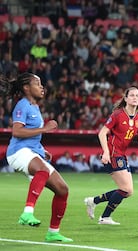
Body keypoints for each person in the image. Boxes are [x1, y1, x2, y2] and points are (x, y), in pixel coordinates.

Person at [2, 72, 72, 242]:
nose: (42, 87)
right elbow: (17, 131)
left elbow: (33, 138)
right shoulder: (22, 105)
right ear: (26, 88)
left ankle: (53, 232)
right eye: (37, 83)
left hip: (32, 152)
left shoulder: (35, 107)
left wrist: (42, 149)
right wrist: (44, 129)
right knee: (42, 170)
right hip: (17, 152)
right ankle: (27, 213)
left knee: (63, 190)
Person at [84, 86, 138, 225]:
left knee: (128, 191)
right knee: (126, 189)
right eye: (132, 95)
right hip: (112, 153)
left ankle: (94, 201)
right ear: (126, 98)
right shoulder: (118, 114)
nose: (135, 97)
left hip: (122, 155)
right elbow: (102, 133)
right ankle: (104, 216)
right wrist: (105, 152)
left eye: (137, 95)